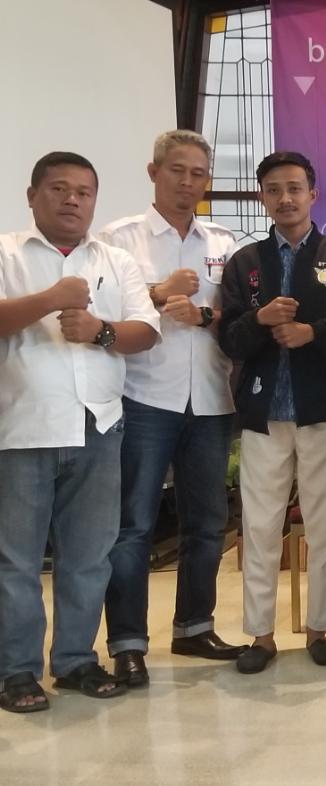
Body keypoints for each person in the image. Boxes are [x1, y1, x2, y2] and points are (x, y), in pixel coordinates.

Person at [0, 152, 159, 712]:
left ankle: (74, 661)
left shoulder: (116, 260)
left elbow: (146, 331)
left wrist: (100, 330)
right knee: (17, 560)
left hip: (99, 424)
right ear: (32, 195)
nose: (72, 199)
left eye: (84, 191)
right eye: (59, 188)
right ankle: (16, 670)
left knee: (90, 555)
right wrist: (49, 300)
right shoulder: (6, 253)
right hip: (22, 427)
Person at [99, 130, 245, 685]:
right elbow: (97, 313)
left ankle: (194, 628)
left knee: (207, 522)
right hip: (143, 396)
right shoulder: (119, 240)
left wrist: (206, 315)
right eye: (177, 170)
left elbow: (240, 318)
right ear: (153, 172)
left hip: (210, 396)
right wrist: (159, 293)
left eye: (198, 174)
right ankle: (128, 643)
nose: (187, 182)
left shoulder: (224, 242)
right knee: (134, 525)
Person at [218, 152, 326, 674]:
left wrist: (310, 333)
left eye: (295, 188)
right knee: (259, 526)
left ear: (313, 194)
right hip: (263, 412)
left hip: (323, 410)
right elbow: (229, 338)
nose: (286, 198)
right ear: (262, 197)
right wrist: (260, 318)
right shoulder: (246, 262)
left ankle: (319, 628)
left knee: (323, 526)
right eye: (274, 189)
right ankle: (260, 635)